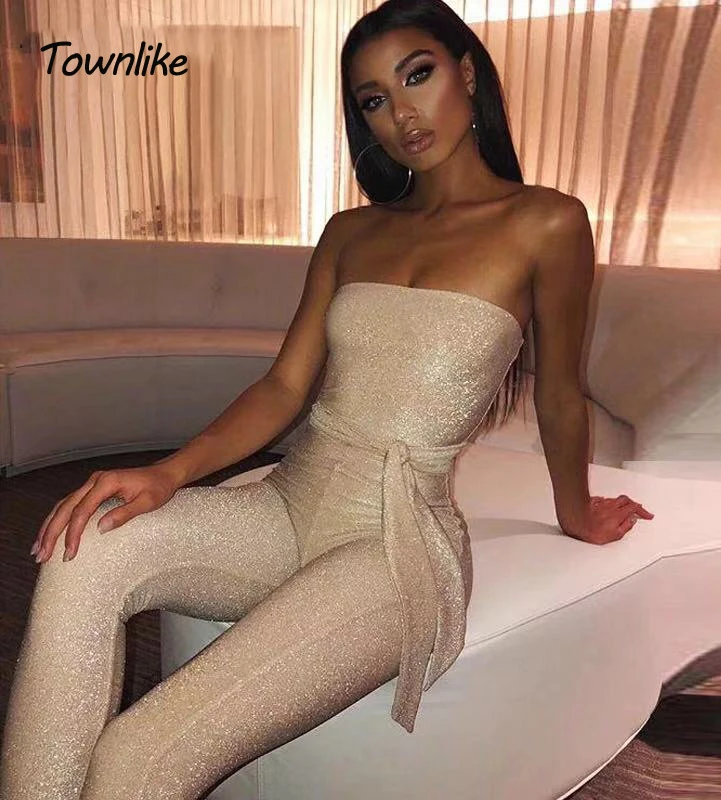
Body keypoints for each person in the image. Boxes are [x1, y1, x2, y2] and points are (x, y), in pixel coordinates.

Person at [0, 1, 654, 797]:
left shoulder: (547, 222)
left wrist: (576, 512)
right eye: (374, 99)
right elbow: (285, 386)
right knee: (83, 549)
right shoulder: (350, 231)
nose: (401, 113)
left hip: (393, 547)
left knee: (139, 757)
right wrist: (168, 473)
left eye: (418, 75)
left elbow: (558, 396)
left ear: (467, 72)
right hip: (285, 503)